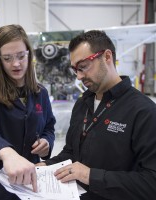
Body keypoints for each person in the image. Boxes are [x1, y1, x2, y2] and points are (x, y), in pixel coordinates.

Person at [37, 30, 156, 200]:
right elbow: (70, 154)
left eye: (83, 66)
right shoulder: (82, 104)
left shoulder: (143, 111)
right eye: (75, 69)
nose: (79, 76)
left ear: (107, 57)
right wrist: (43, 167)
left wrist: (90, 176)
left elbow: (152, 183)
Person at [0, 24, 56, 200]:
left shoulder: (40, 93)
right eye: (7, 58)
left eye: (21, 56)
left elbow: (49, 126)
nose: (16, 64)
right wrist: (7, 153)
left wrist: (46, 142)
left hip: (29, 184)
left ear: (29, 54)